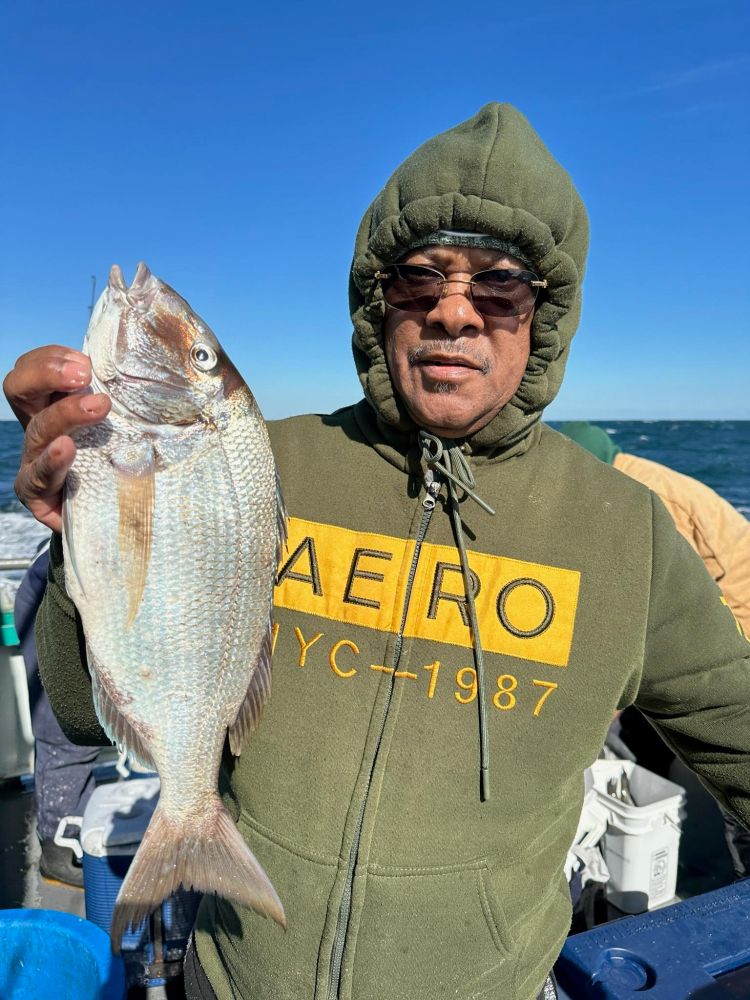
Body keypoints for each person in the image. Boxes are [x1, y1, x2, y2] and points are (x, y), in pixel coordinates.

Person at [4, 103, 750, 1000]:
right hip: (230, 979)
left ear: (545, 313)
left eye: (498, 286)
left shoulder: (627, 530)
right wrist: (83, 534)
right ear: (375, 299)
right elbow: (83, 716)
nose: (453, 314)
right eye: (419, 280)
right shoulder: (257, 466)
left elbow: (736, 732)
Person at [560, 420, 750, 878]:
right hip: (713, 632)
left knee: (728, 765)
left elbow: (672, 606)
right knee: (647, 738)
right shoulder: (631, 474)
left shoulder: (642, 497)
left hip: (736, 638)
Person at [14, 539, 99, 886]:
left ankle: (82, 828)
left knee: (78, 735)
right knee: (63, 733)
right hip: (50, 600)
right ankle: (56, 850)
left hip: (85, 593)